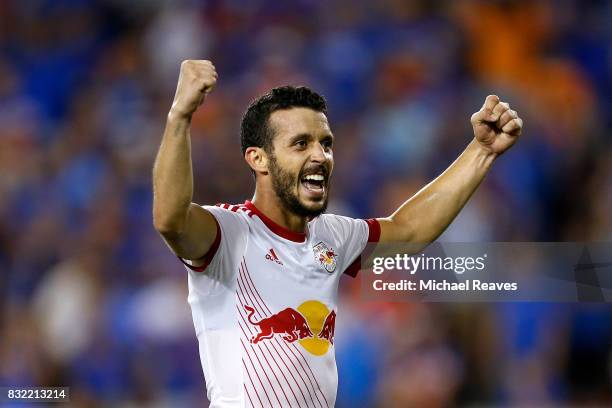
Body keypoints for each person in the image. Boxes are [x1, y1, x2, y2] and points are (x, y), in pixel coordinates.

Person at [152, 60, 523, 407]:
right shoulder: (229, 233)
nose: (320, 156)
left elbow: (409, 231)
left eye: (325, 143)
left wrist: (481, 152)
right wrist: (180, 115)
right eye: (300, 144)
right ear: (258, 159)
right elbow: (171, 219)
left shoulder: (331, 235)